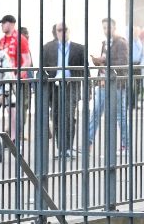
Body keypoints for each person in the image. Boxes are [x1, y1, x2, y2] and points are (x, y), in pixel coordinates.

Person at [42, 23, 86, 159]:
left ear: (69, 31)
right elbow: (42, 69)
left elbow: (86, 71)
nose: (62, 32)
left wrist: (88, 91)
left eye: (65, 30)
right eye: (59, 30)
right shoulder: (47, 48)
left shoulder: (79, 48)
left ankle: (67, 148)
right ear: (55, 32)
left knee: (67, 115)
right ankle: (61, 148)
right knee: (55, 116)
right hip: (53, 85)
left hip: (71, 85)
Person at [88, 18, 130, 155]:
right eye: (104, 27)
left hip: (116, 84)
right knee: (95, 113)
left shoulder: (121, 43)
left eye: (108, 27)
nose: (106, 30)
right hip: (103, 82)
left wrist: (104, 61)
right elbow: (104, 63)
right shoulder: (105, 43)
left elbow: (122, 63)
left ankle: (126, 145)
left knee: (120, 115)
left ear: (114, 27)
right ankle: (88, 142)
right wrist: (97, 61)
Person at [0, 15, 32, 146]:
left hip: (16, 80)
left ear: (11, 23)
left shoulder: (20, 39)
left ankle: (14, 138)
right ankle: (10, 137)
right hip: (4, 81)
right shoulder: (1, 40)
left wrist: (18, 77)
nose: (1, 25)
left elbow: (27, 60)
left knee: (15, 110)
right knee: (8, 110)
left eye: (3, 23)